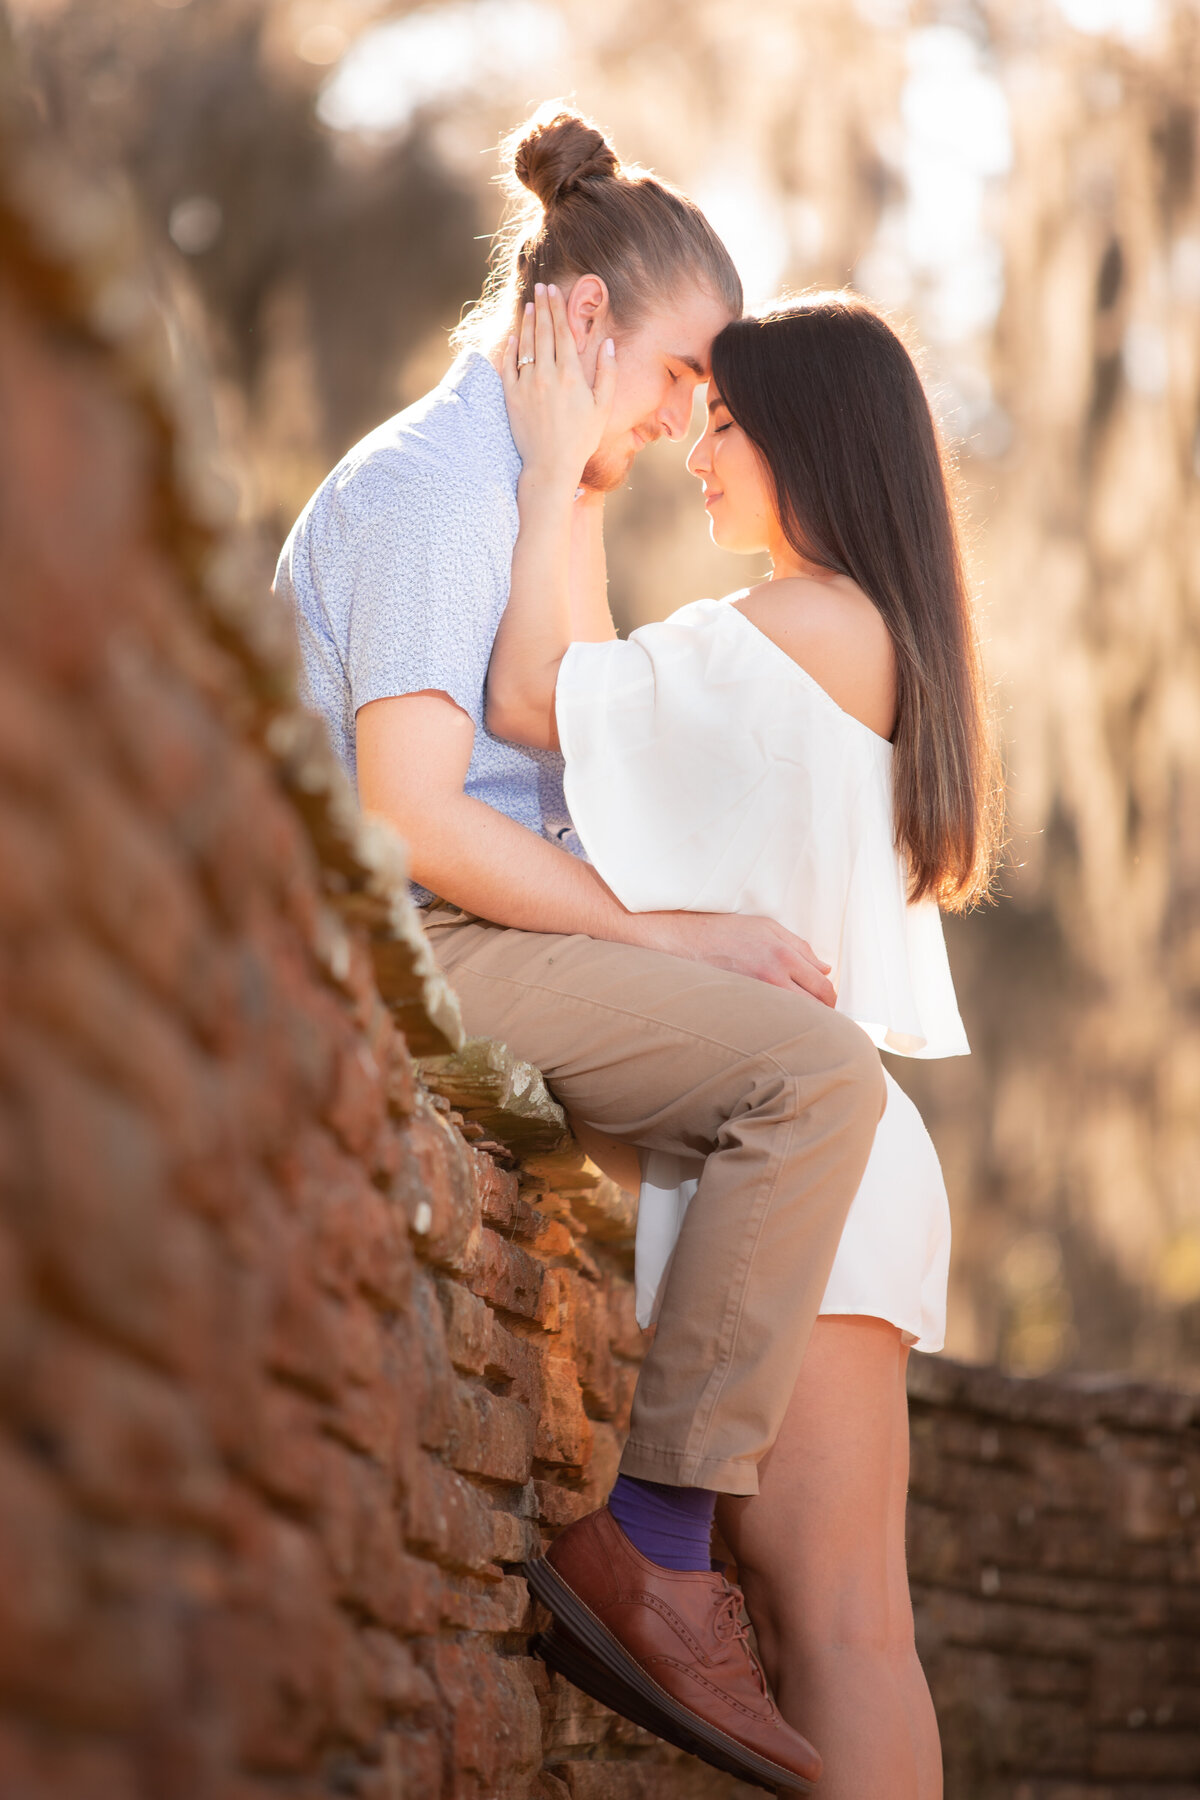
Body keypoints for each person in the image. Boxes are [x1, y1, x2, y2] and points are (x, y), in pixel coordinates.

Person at [276, 106, 888, 1796]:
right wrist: (669, 936)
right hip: (410, 944)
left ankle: (733, 1554)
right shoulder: (428, 491)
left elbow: (583, 766)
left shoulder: (536, 490)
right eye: (687, 372)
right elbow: (405, 819)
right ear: (581, 323)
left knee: (817, 1088)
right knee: (818, 1080)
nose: (697, 420)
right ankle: (654, 1552)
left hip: (492, 933)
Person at [487, 284, 1001, 1800]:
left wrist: (554, 472)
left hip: (819, 1177)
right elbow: (595, 707)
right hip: (847, 1165)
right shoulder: (853, 636)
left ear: (812, 443)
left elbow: (532, 696)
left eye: (725, 424)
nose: (695, 451)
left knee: (836, 1628)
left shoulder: (794, 627)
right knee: (831, 1621)